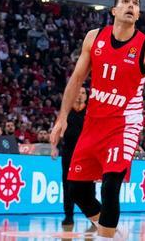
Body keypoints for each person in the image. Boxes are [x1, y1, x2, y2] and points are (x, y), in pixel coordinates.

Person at [50, 0, 145, 239]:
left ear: (138, 14)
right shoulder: (94, 37)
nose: (131, 5)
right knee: (77, 190)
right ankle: (112, 233)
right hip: (94, 123)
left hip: (125, 123)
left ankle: (106, 235)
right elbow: (76, 79)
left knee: (111, 185)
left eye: (135, 3)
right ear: (113, 11)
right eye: (125, 1)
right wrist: (61, 118)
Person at [56, 87, 87, 227]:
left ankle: (92, 215)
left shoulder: (90, 112)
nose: (80, 95)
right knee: (67, 184)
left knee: (88, 186)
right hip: (68, 152)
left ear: (86, 96)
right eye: (78, 92)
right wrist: (53, 147)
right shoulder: (66, 111)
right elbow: (57, 128)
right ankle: (69, 215)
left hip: (86, 154)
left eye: (83, 93)